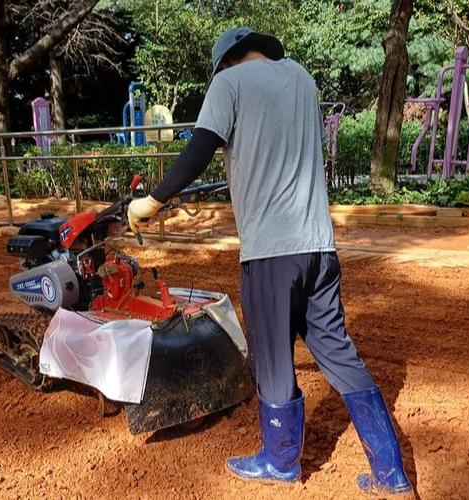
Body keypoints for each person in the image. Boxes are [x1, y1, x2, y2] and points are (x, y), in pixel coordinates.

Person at [127, 28, 413, 496]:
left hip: (270, 252)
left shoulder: (229, 83)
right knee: (338, 350)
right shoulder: (301, 79)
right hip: (319, 247)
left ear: (225, 63)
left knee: (274, 357)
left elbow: (200, 148)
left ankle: (280, 462)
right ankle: (390, 471)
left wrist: (152, 201)